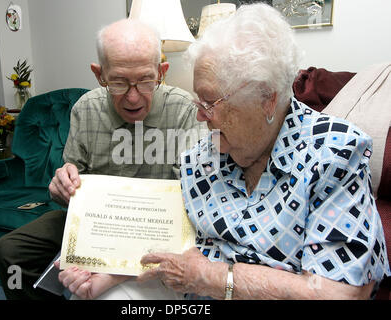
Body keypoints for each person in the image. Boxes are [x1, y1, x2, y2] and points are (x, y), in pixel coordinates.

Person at [136, 3, 391, 300]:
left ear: (267, 100)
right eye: (198, 102)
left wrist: (209, 276)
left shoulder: (334, 153)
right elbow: (166, 239)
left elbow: (339, 294)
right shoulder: (202, 157)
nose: (200, 117)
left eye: (209, 103)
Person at [0, 18, 206, 300]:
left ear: (161, 72)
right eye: (118, 82)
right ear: (99, 74)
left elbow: (199, 198)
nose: (132, 97)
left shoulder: (185, 111)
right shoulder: (86, 108)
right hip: (97, 223)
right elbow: (70, 186)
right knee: (9, 250)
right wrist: (61, 186)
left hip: (157, 230)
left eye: (145, 81)